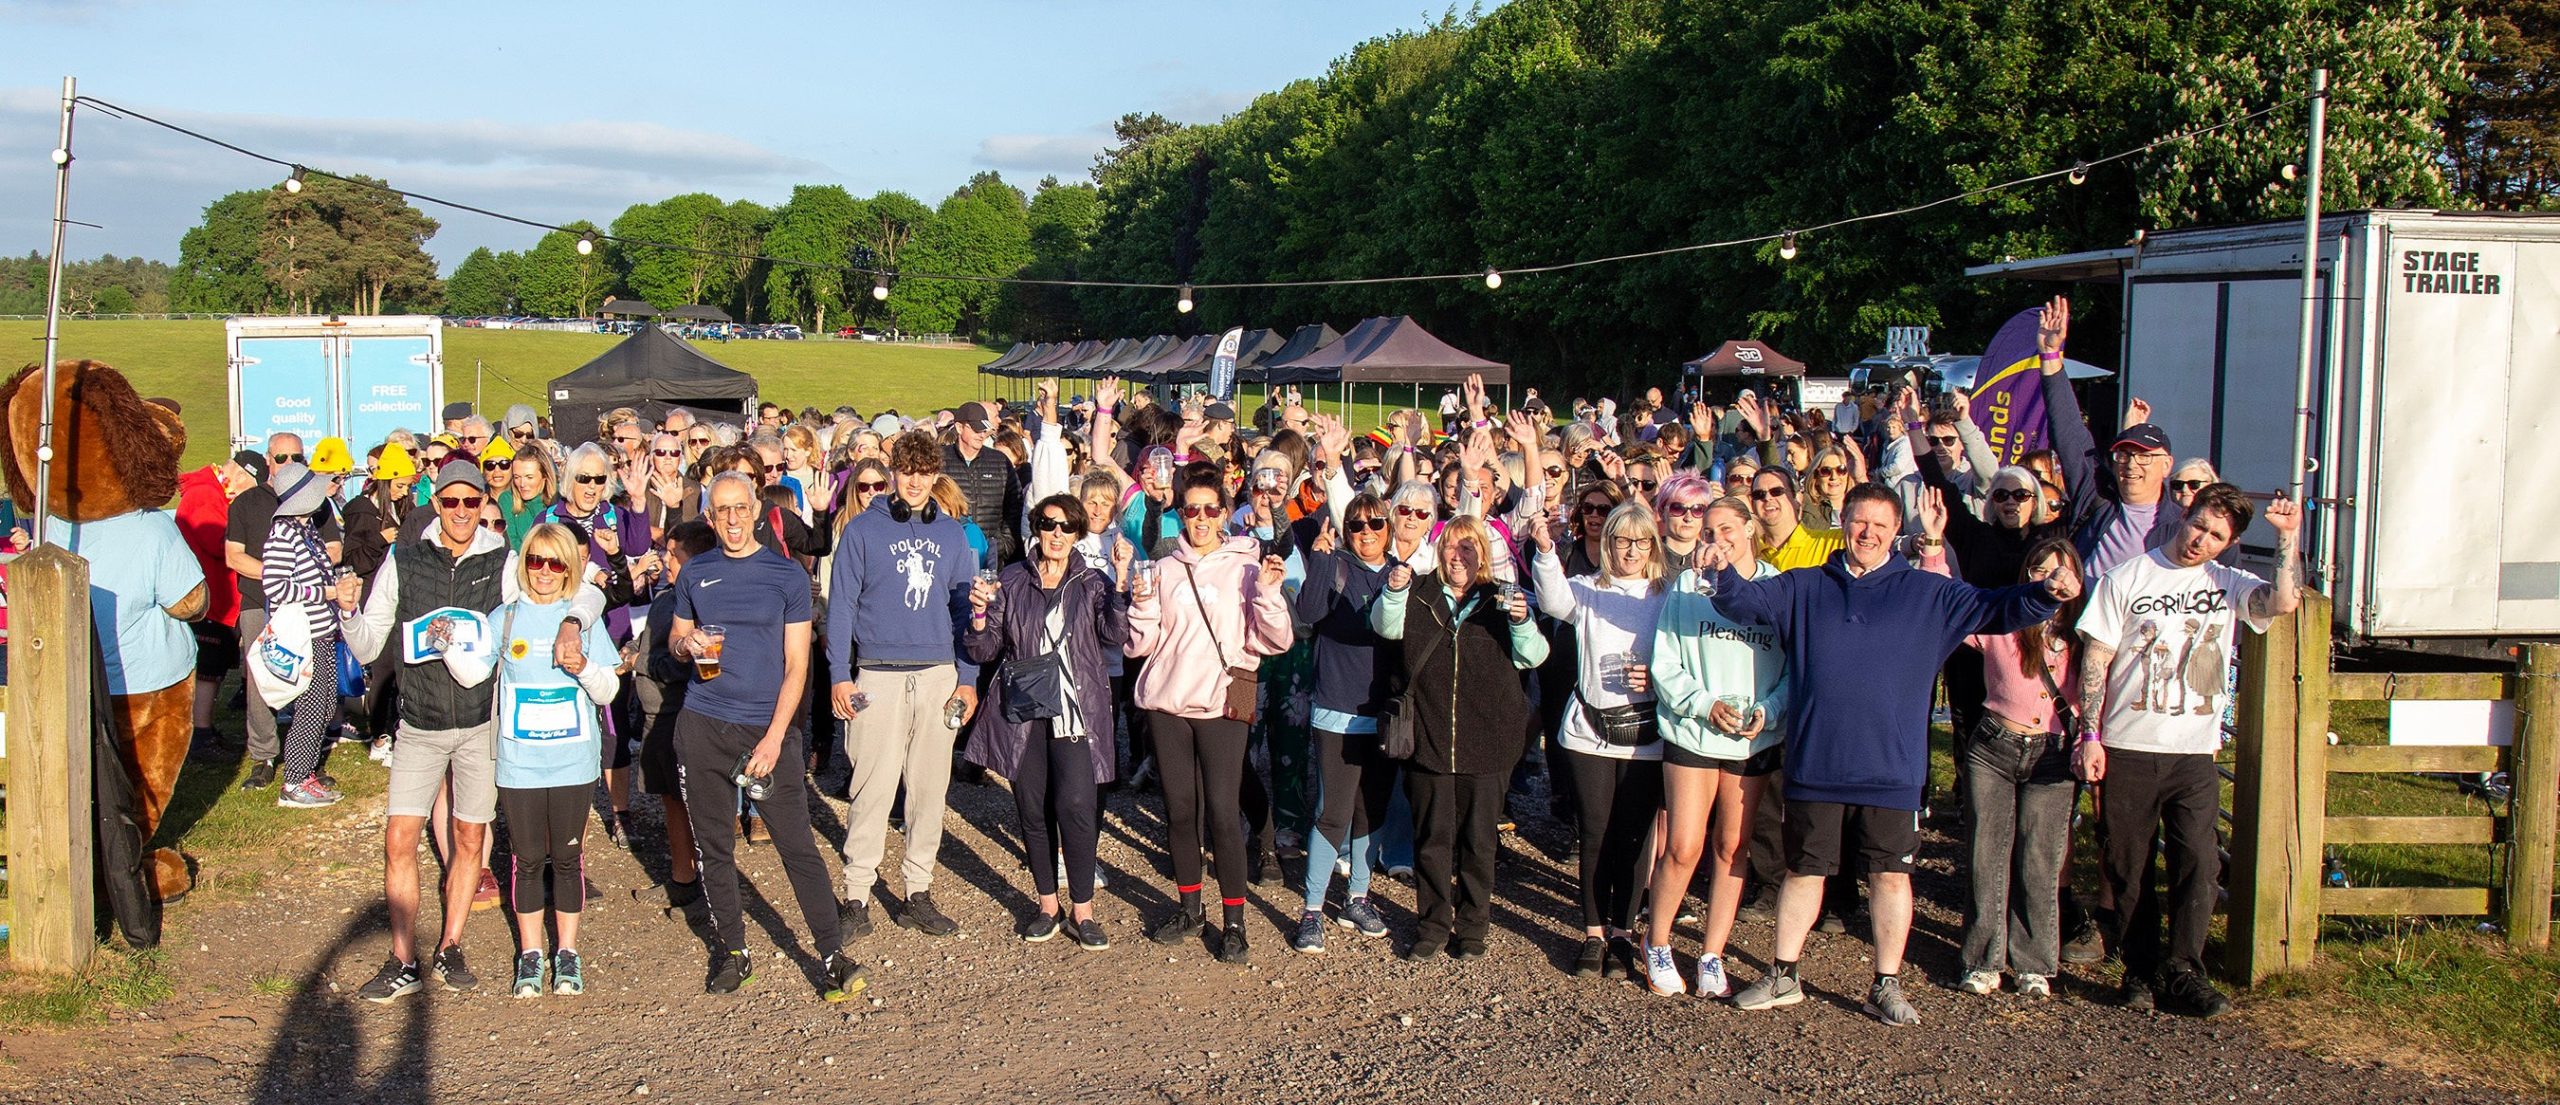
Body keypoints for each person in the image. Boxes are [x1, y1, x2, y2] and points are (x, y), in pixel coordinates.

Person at [1709, 484, 2072, 1026]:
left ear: (1896, 529)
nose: (1868, 533)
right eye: (1860, 522)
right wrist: (1720, 572)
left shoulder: (1929, 593)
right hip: (1816, 764)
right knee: (1804, 872)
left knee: (1890, 876)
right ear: (1843, 521)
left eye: (1881, 525)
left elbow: (1997, 609)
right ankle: (1783, 975)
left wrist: (2046, 594)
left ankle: (1886, 983)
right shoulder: (1805, 585)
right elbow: (1745, 603)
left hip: (1892, 769)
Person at [344, 461, 600, 1002]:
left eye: (470, 501)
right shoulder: (404, 558)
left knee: (469, 839)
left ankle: (450, 945)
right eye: (450, 501)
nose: (460, 512)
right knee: (399, 838)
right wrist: (347, 613)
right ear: (435, 503)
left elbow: (575, 588)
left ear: (484, 502)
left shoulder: (503, 559)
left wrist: (572, 623)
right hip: (419, 723)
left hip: (481, 724)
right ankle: (402, 958)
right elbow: (367, 645)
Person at [2076, 483, 2300, 1018]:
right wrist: (2090, 736)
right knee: (2127, 864)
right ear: (2185, 513)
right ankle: (2140, 968)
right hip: (2129, 744)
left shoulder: (2226, 582)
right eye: (2199, 525)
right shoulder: (2126, 578)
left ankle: (2183, 971)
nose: (2201, 540)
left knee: (2198, 861)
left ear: (2229, 543)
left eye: (2216, 536)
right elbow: (2096, 660)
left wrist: (2287, 539)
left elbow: (2282, 602)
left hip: (2194, 752)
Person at [669, 472, 866, 1000]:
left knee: (796, 845)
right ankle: (734, 952)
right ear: (709, 517)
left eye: (741, 508)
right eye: (722, 510)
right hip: (703, 723)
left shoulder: (786, 575)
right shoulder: (696, 572)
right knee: (714, 846)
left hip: (767, 727)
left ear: (756, 510)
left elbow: (797, 665)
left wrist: (776, 737)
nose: (732, 520)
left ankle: (832, 954)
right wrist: (688, 646)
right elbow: (676, 639)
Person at [1125, 466, 1293, 962]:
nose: (1200, 518)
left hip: (1222, 702)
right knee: (1180, 810)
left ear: (1225, 513)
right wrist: (1140, 604)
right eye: (1191, 509)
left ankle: (1234, 921)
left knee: (1222, 810)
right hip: (1168, 703)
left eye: (1210, 509)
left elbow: (1275, 641)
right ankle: (1190, 909)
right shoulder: (1162, 568)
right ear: (1181, 514)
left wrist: (1268, 593)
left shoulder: (1247, 564)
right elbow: (1140, 645)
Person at [449, 523, 620, 998]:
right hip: (519, 763)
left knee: (566, 858)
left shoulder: (581, 620)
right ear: (523, 564)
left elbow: (609, 689)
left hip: (572, 762)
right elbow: (472, 675)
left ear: (569, 568)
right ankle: (530, 953)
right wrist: (446, 645)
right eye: (535, 561)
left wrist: (583, 668)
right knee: (525, 860)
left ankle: (567, 951)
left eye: (555, 562)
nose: (544, 571)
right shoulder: (504, 617)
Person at [825, 433, 981, 941]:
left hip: (938, 674)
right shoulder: (862, 531)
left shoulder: (952, 535)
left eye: (925, 472)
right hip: (878, 673)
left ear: (936, 475)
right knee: (871, 789)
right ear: (894, 473)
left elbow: (965, 611)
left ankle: (918, 890)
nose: (915, 482)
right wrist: (839, 674)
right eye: (907, 471)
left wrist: (967, 678)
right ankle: (856, 895)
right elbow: (841, 606)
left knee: (929, 790)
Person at [1371, 514, 1548, 961]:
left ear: (1483, 554)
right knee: (1431, 839)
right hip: (1429, 735)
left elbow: (1533, 656)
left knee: (1479, 842)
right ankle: (1432, 925)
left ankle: (1472, 927)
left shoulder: (1500, 598)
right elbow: (1386, 628)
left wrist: (1522, 621)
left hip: (1488, 739)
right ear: (1439, 550)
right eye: (1451, 546)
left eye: (1468, 547)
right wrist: (1393, 591)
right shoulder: (1420, 593)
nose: (1458, 556)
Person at [963, 494, 1131, 950]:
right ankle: (1047, 906)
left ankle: (1084, 910)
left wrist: (1120, 582)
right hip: (1024, 708)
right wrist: (978, 615)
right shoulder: (1012, 579)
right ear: (1036, 527)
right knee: (1032, 808)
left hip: (1076, 706)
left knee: (1076, 805)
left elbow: (1116, 635)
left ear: (1078, 533)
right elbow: (984, 649)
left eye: (1067, 526)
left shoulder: (1091, 581)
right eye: (1049, 524)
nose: (1057, 534)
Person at [1642, 496, 1787, 998]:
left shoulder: (1778, 587)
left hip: (1752, 736)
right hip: (1695, 729)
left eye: (1727, 529)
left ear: (1749, 530)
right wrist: (1703, 705)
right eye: (1708, 532)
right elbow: (1664, 662)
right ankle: (1658, 940)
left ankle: (1712, 952)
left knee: (1732, 846)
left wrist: (1770, 709)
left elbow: (1796, 668)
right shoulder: (1687, 586)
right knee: (1684, 846)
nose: (1717, 539)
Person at [1528, 500, 1670, 979]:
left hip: (1646, 732)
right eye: (1621, 540)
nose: (1630, 551)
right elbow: (1552, 601)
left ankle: (1624, 933)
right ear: (1607, 544)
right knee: (1595, 831)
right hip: (1590, 730)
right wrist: (1545, 550)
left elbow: (1683, 656)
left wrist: (1656, 677)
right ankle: (1593, 932)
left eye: (1640, 541)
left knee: (1635, 834)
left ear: (1653, 545)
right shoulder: (1588, 590)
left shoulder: (1667, 595)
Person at [1954, 538, 2087, 1002]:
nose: (2051, 579)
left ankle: (2034, 964)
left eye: (2060, 570)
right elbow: (1948, 600)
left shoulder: (2086, 633)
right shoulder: (2002, 622)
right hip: (1995, 746)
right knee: (1986, 854)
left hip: (2053, 752)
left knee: (2040, 859)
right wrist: (1932, 544)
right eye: (2039, 570)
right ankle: (1982, 959)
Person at [1287, 492, 1401, 952]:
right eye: (1357, 525)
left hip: (1386, 714)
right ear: (1346, 530)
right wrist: (1319, 560)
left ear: (1389, 528)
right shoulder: (1335, 566)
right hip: (1337, 710)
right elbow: (1309, 614)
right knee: (1333, 812)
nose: (1367, 532)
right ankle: (1312, 910)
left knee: (1371, 809)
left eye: (1376, 523)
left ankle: (1357, 897)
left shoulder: (1401, 574)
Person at [228, 432, 340, 790]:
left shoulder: (314, 512)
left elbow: (334, 549)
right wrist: (289, 575)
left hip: (311, 616)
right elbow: (234, 557)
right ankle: (265, 757)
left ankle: (305, 761)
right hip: (259, 603)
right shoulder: (248, 503)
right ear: (268, 460)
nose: (290, 463)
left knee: (317, 694)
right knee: (264, 682)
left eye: (297, 457)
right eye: (282, 458)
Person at [260, 462, 354, 809]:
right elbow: (275, 586)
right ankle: (294, 781)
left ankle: (306, 772)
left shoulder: (306, 529)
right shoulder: (283, 535)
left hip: (323, 632)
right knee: (311, 708)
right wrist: (326, 593)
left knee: (326, 704)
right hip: (304, 637)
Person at [635, 520, 714, 908]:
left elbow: (686, 664)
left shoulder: (698, 602)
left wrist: (638, 662)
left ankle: (702, 885)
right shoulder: (670, 595)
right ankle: (683, 876)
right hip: (656, 714)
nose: (665, 560)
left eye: (673, 554)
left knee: (688, 800)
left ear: (694, 560)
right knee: (670, 797)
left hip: (675, 712)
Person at [175, 451, 254, 749]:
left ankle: (204, 726)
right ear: (240, 477)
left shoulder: (209, 492)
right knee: (208, 669)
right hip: (212, 597)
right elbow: (216, 542)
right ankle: (200, 731)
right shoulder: (204, 495)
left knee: (215, 666)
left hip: (218, 596)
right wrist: (246, 544)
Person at [946, 401, 1025, 564]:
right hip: (950, 554)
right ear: (959, 428)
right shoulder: (940, 460)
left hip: (992, 557)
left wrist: (1003, 544)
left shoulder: (999, 461)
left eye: (984, 429)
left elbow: (1015, 506)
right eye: (976, 429)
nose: (981, 435)